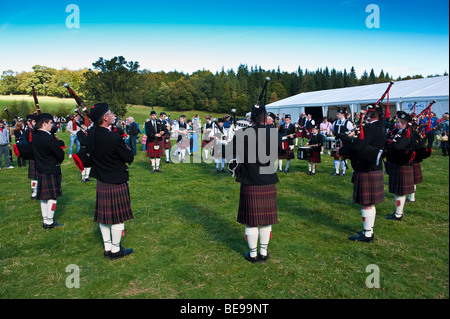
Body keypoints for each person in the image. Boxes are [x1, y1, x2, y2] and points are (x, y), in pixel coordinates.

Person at [227, 103, 281, 263]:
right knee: (265, 221)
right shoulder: (275, 134)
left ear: (251, 117)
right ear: (266, 117)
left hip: (250, 181)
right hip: (268, 181)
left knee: (251, 223)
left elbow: (232, 155)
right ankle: (263, 253)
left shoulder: (242, 134)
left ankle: (252, 254)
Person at [87, 103, 134, 260]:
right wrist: (123, 143)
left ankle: (108, 247)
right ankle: (116, 251)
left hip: (101, 179)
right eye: (111, 113)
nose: (113, 115)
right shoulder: (113, 137)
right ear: (105, 118)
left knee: (104, 218)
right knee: (117, 219)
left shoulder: (91, 134)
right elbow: (129, 158)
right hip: (115, 180)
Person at [338, 105, 385, 243]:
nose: (363, 115)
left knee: (366, 203)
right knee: (370, 203)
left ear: (371, 115)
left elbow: (359, 146)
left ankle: (367, 234)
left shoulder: (370, 128)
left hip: (366, 167)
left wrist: (343, 147)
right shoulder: (381, 126)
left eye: (365, 114)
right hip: (374, 166)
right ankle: (368, 230)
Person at [32, 113, 65, 229]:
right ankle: (50, 221)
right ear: (44, 124)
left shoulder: (36, 136)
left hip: (41, 168)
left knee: (44, 197)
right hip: (51, 168)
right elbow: (59, 154)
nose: (52, 125)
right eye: (51, 123)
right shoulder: (49, 137)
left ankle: (45, 220)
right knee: (52, 197)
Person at [384, 111, 415, 221]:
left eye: (398, 122)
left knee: (400, 191)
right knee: (398, 191)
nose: (396, 124)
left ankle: (398, 214)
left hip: (402, 164)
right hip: (396, 163)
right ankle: (398, 212)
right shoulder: (398, 132)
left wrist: (386, 149)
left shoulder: (406, 134)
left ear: (405, 123)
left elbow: (397, 147)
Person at [330, 108, 354, 176]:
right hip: (336, 141)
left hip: (344, 142)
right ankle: (336, 171)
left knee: (343, 157)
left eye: (338, 114)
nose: (337, 115)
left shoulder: (348, 122)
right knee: (336, 156)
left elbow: (353, 132)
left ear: (343, 114)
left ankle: (343, 171)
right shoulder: (335, 122)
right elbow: (331, 129)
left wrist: (347, 137)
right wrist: (331, 133)